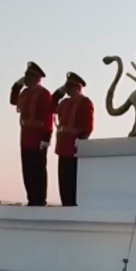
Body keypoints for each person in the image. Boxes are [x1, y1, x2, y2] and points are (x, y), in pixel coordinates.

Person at [9, 62, 54, 206]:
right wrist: (16, 86)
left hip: (38, 137)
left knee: (38, 169)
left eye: (28, 76)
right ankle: (31, 198)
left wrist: (47, 137)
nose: (25, 79)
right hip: (26, 137)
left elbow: (48, 117)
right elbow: (13, 101)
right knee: (27, 170)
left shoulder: (44, 94)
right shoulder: (25, 93)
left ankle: (39, 199)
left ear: (35, 78)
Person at [52, 72, 95, 207]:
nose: (68, 90)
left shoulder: (84, 102)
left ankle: (72, 204)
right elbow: (51, 106)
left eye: (69, 87)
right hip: (62, 148)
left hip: (74, 149)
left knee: (72, 182)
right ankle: (66, 204)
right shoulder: (64, 102)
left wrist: (80, 143)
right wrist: (59, 92)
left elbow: (88, 126)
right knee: (63, 182)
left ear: (77, 87)